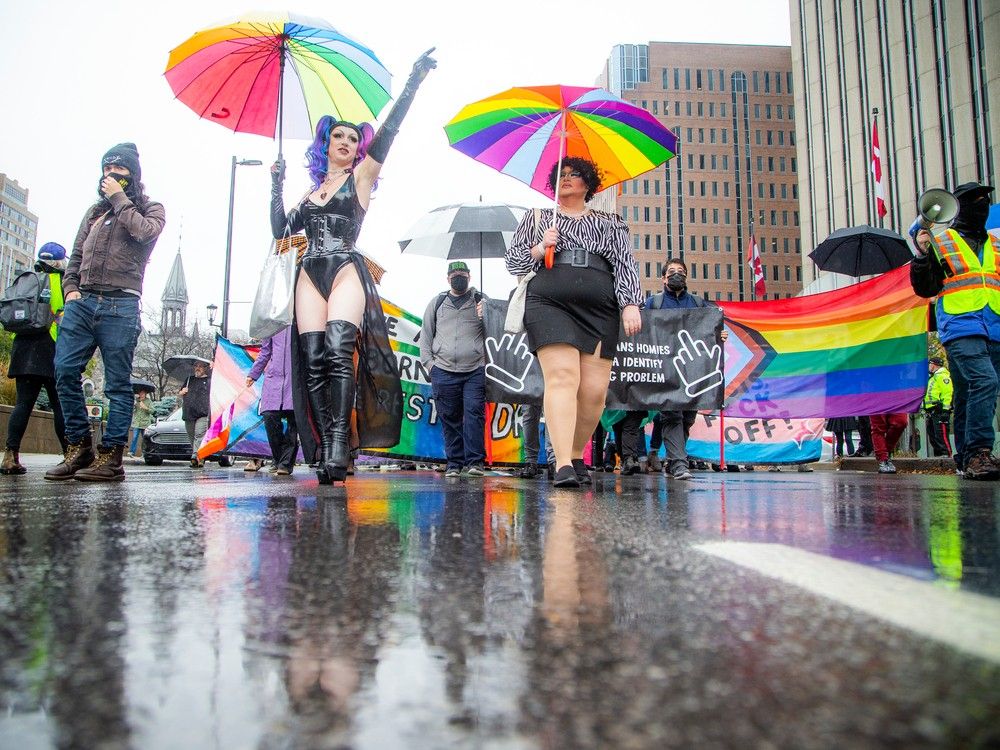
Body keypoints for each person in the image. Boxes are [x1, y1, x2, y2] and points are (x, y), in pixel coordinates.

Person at [271, 50, 436, 485]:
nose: (345, 142)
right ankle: (326, 443)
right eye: (337, 137)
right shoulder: (310, 193)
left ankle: (342, 442)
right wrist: (275, 183)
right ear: (324, 144)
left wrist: (413, 83)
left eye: (351, 139)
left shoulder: (360, 179)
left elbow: (390, 134)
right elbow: (279, 230)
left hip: (345, 267)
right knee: (313, 360)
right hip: (310, 271)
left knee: (340, 353)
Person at [506, 157, 643, 488]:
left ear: (589, 183)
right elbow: (513, 263)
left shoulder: (611, 223)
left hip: (600, 307)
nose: (567, 179)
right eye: (562, 175)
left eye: (575, 175)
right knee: (563, 377)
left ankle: (576, 453)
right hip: (549, 302)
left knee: (594, 391)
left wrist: (630, 303)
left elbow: (625, 264)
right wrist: (541, 247)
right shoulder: (538, 217)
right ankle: (562, 463)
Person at [45, 144, 166, 482]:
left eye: (119, 170)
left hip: (121, 304)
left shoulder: (150, 209)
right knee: (65, 371)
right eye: (107, 169)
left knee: (117, 383)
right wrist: (71, 291)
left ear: (133, 175)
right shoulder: (94, 213)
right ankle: (79, 446)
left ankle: (111, 457)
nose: (111, 175)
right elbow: (75, 255)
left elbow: (144, 232)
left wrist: (119, 199)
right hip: (83, 303)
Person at [911, 182, 1000, 480]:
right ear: (959, 207)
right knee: (984, 381)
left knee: (966, 392)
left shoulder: (996, 245)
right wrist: (923, 256)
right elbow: (925, 288)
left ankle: (964, 459)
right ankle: (979, 453)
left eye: (985, 199)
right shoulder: (942, 242)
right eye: (975, 200)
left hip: (994, 328)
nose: (982, 204)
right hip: (960, 326)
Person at [642, 258, 727, 481]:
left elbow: (713, 330)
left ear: (686, 277)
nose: (676, 274)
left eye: (681, 271)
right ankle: (679, 463)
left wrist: (720, 335)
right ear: (663, 278)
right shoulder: (653, 304)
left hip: (693, 371)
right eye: (672, 271)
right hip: (665, 369)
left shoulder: (699, 304)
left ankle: (673, 459)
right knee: (672, 415)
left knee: (688, 417)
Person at [1, 243, 68, 475]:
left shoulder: (26, 280)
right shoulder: (57, 282)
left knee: (22, 405)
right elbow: (62, 318)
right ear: (59, 262)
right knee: (60, 405)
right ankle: (69, 456)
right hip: (49, 351)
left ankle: (10, 456)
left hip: (22, 349)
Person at [419, 261, 486, 477]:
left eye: (463, 274)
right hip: (443, 370)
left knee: (474, 414)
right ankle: (454, 463)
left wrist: (487, 314)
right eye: (455, 274)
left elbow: (496, 331)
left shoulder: (481, 302)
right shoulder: (437, 302)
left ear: (470, 276)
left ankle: (476, 462)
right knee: (449, 417)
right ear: (447, 278)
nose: (459, 277)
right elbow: (426, 336)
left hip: (475, 370)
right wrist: (430, 365)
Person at [246, 326, 298, 475]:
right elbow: (265, 352)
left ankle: (285, 464)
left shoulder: (302, 318)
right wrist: (253, 374)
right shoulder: (272, 324)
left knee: (294, 422)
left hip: (295, 379)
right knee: (269, 416)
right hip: (274, 379)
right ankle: (279, 458)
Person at [179, 361, 211, 468]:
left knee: (199, 435)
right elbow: (180, 393)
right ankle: (200, 457)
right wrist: (182, 392)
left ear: (205, 368)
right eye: (196, 366)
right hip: (189, 413)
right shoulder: (189, 380)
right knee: (192, 437)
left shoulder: (209, 380)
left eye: (200, 366)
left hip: (203, 413)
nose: (198, 368)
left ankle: (196, 456)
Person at [923, 356, 954, 457]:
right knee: (933, 436)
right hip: (931, 412)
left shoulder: (942, 376)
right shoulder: (932, 377)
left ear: (933, 365)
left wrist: (946, 410)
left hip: (939, 411)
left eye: (929, 364)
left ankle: (947, 457)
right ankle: (938, 458)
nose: (928, 366)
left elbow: (947, 393)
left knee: (942, 435)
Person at [128, 390, 153, 458]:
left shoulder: (148, 401)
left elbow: (152, 411)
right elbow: (132, 410)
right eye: (140, 393)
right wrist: (134, 406)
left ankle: (144, 453)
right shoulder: (136, 401)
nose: (141, 394)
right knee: (134, 437)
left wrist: (145, 407)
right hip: (137, 423)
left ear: (145, 394)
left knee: (144, 439)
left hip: (145, 423)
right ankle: (131, 452)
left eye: (143, 393)